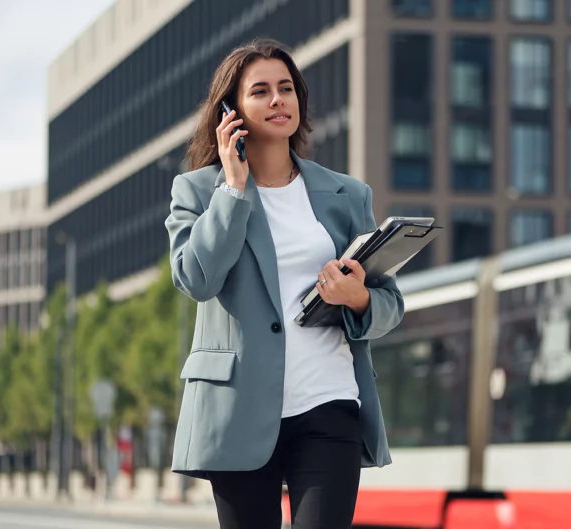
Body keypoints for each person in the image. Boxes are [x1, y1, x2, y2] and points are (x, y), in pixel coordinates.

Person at [164, 38, 404, 529]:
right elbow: (196, 279)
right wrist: (231, 192)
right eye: (261, 91)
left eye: (286, 88)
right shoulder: (197, 190)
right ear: (231, 111)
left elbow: (389, 304)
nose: (278, 100)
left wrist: (354, 297)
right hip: (238, 410)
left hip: (329, 404)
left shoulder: (347, 195)